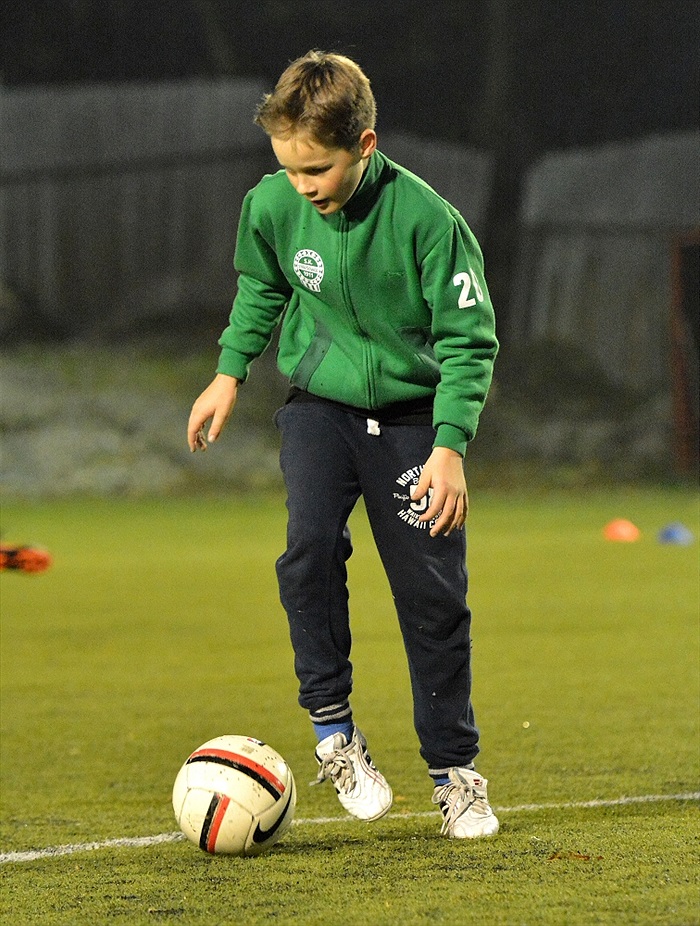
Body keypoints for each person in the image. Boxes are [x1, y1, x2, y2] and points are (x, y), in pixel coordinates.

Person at [187, 50, 499, 839]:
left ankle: (455, 776)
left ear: (364, 144)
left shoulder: (430, 221)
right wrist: (229, 373)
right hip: (319, 406)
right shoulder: (272, 204)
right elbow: (262, 286)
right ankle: (335, 734)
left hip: (414, 425)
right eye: (289, 170)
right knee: (308, 550)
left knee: (432, 597)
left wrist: (451, 444)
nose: (303, 187)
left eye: (317, 170)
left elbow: (469, 341)